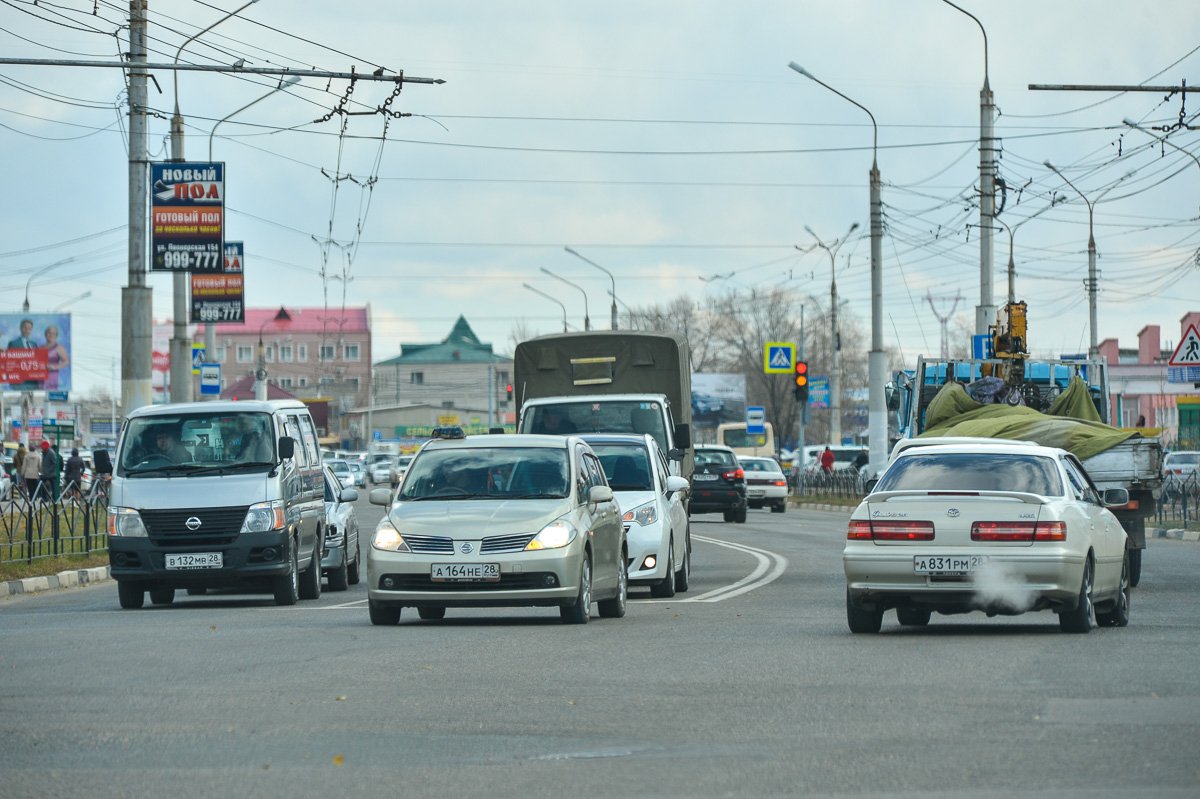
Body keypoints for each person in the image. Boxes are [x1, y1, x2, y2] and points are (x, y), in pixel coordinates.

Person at [42, 324, 70, 391]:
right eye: (49, 333)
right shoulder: (40, 347)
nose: (51, 335)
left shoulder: (59, 348)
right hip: (39, 378)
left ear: (56, 336)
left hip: (51, 378)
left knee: (49, 396)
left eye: (53, 333)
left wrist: (55, 367)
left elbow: (66, 361)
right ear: (45, 334)